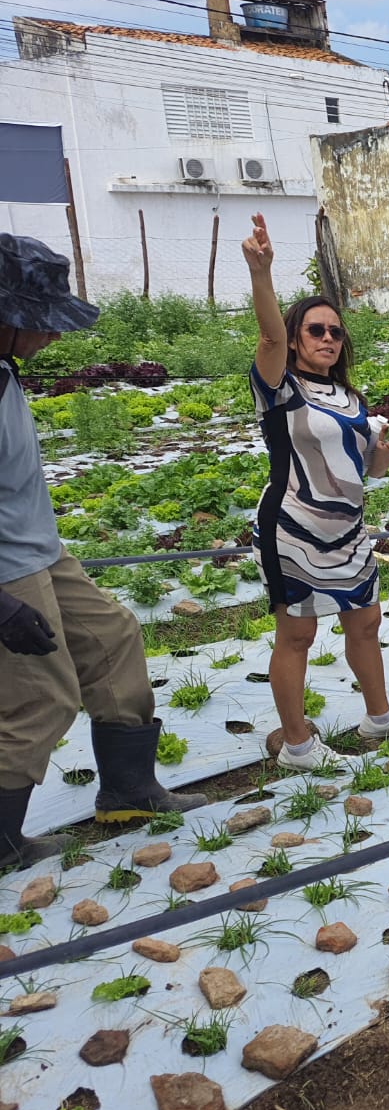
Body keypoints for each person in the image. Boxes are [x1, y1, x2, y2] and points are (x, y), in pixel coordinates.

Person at [0, 234, 206, 864]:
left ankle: (129, 791)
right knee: (40, 694)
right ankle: (2, 843)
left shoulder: (4, 369)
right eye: (40, 321)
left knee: (113, 638)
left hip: (39, 550)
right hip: (5, 570)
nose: (51, 335)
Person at [243, 214, 389, 763]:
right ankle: (297, 744)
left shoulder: (352, 399)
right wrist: (262, 273)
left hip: (348, 531)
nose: (327, 338)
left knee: (366, 623)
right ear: (296, 339)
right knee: (297, 636)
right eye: (315, 330)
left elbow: (371, 472)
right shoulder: (279, 389)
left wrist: (383, 451)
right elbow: (268, 335)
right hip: (293, 530)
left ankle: (380, 718)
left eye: (335, 331)